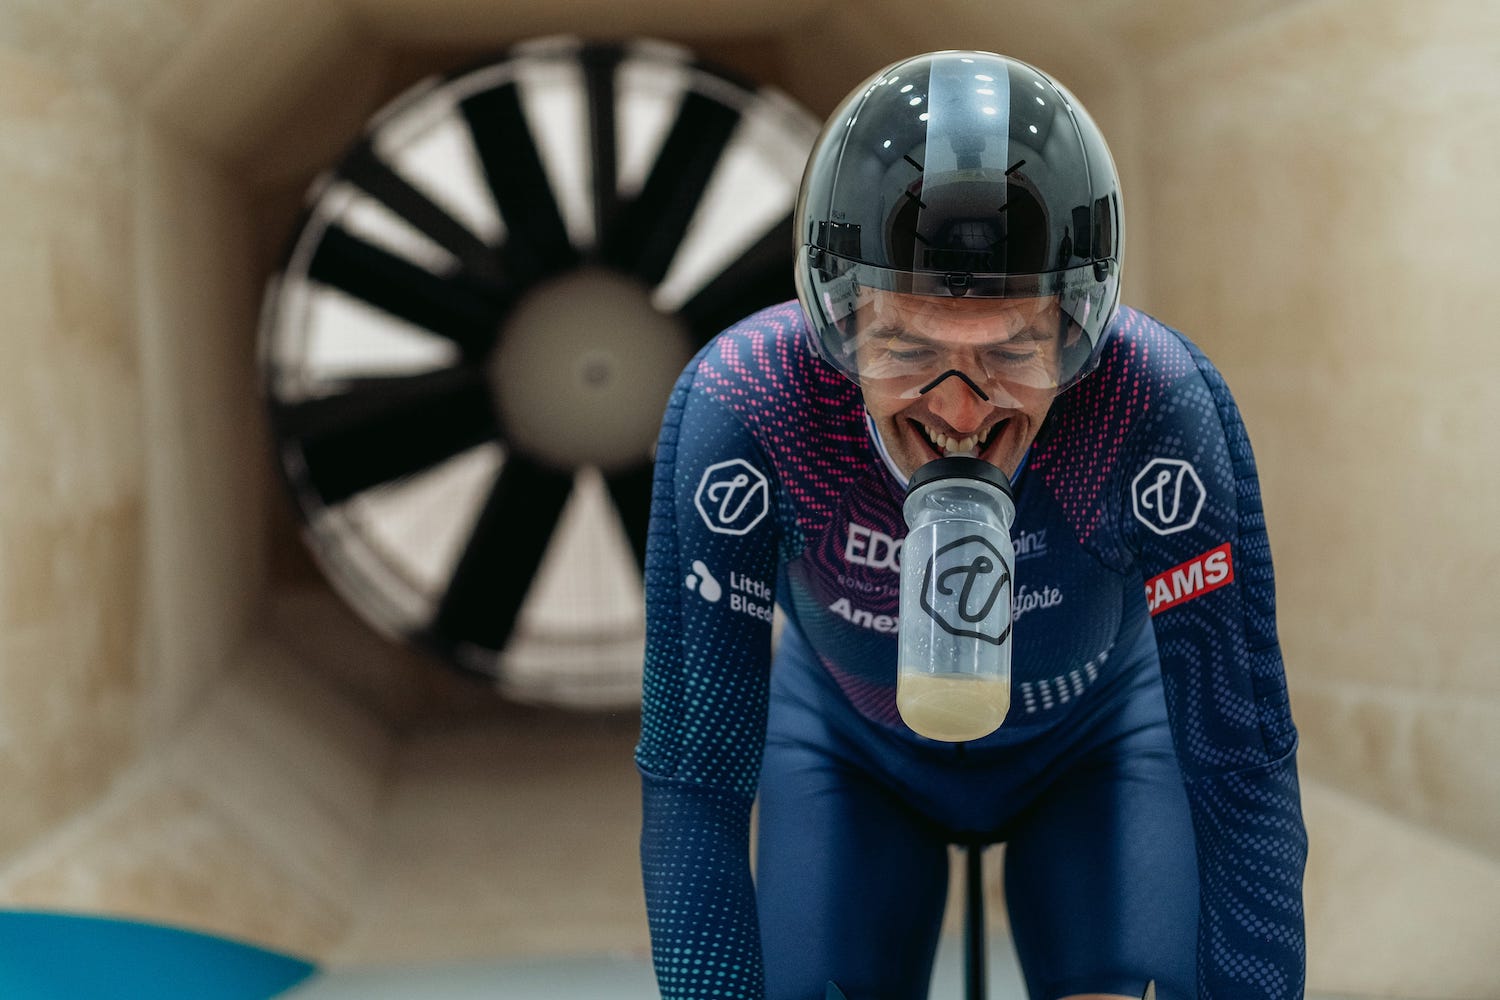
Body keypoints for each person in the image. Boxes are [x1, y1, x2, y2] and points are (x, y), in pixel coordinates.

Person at [636, 49, 1306, 1000]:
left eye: (1013, 352)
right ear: (837, 318)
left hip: (1101, 747)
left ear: (1080, 327)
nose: (957, 411)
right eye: (908, 348)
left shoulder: (1151, 404)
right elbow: (694, 782)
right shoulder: (747, 406)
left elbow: (1241, 768)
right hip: (848, 751)